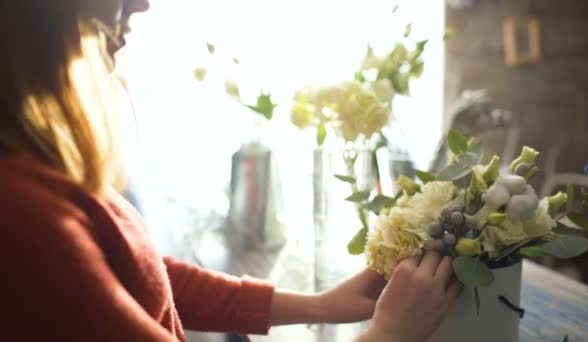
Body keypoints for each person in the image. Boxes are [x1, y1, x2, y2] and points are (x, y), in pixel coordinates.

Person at [0, 0, 462, 341]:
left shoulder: (35, 171)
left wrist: (320, 305)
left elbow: (139, 275)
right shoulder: (22, 219)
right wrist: (388, 336)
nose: (142, 4)